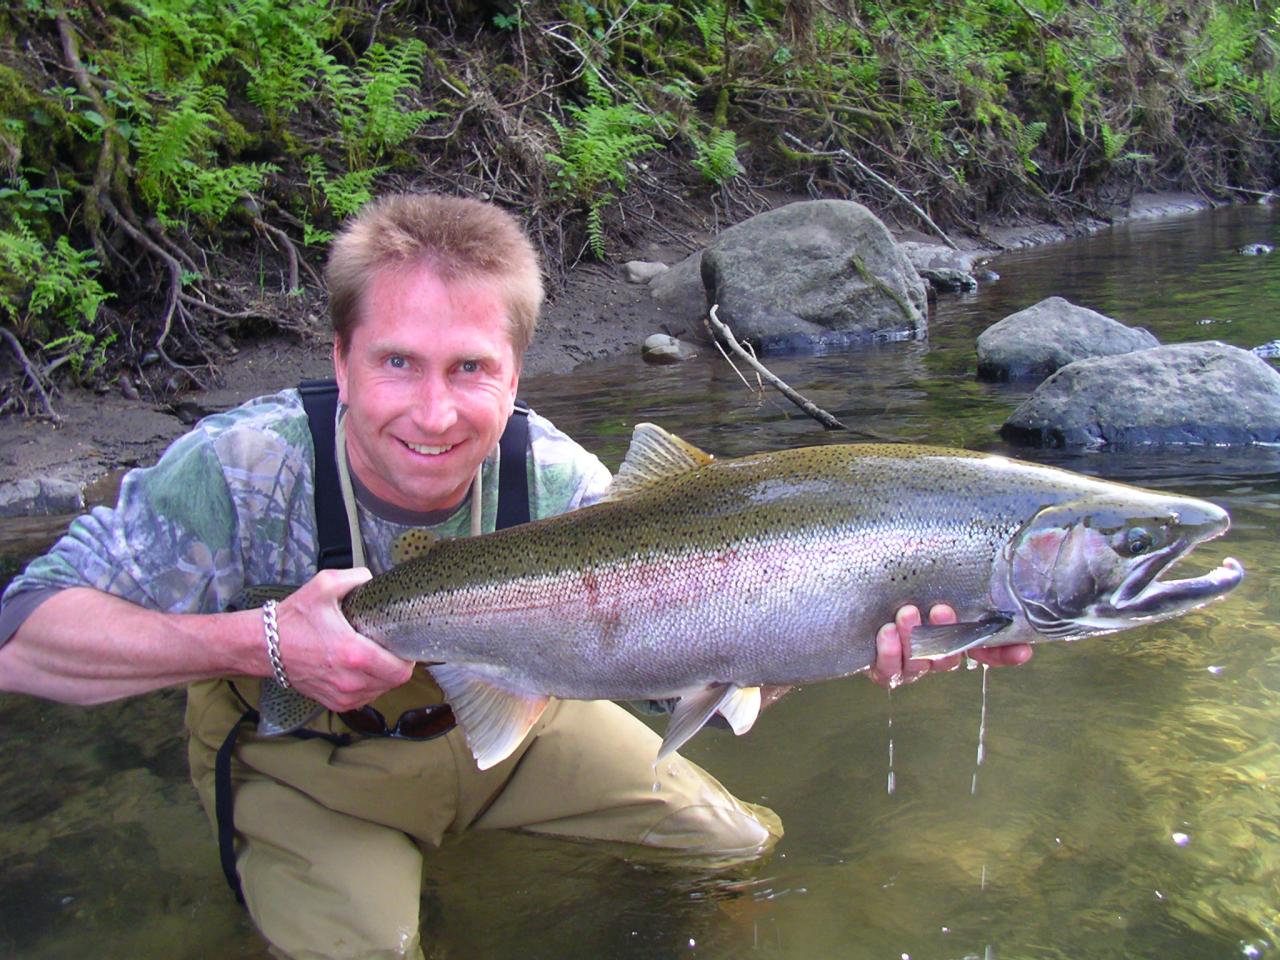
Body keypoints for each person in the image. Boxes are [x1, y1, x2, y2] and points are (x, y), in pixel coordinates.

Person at [0, 193, 1030, 959]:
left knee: (732, 845)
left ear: (516, 371)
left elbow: (707, 652)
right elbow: (22, 639)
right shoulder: (238, 469)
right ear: (341, 356)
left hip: (517, 719)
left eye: (471, 370)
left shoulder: (558, 479)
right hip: (307, 762)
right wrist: (257, 643)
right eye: (397, 363)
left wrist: (855, 634)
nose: (435, 413)